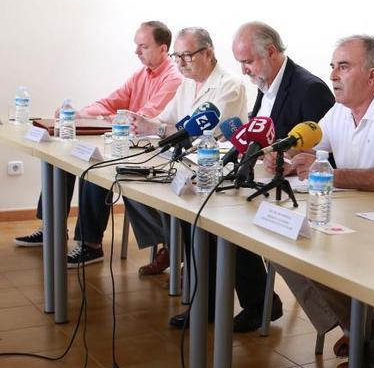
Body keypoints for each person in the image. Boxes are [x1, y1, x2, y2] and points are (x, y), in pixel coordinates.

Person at [269, 35, 374, 368]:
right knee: (280, 242)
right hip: (351, 218)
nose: (332, 76)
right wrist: (287, 160)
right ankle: (355, 328)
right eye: (332, 67)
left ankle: (365, 334)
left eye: (343, 67)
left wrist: (332, 174)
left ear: (373, 76)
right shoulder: (339, 112)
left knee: (309, 244)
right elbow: (314, 151)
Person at [14, 21, 183, 269]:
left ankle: (91, 245)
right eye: (136, 46)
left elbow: (141, 120)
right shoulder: (141, 74)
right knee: (63, 158)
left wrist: (101, 118)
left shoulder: (173, 79)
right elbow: (110, 102)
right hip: (125, 142)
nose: (137, 52)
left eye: (143, 46)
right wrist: (77, 114)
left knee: (94, 167)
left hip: (148, 151)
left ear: (163, 48)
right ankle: (52, 227)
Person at [127, 27, 249, 328]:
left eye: (186, 55)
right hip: (185, 168)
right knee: (130, 182)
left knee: (195, 220)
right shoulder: (186, 84)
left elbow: (205, 134)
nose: (180, 62)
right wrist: (144, 123)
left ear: (208, 53)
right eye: (176, 56)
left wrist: (158, 130)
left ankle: (201, 292)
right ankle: (177, 251)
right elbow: (167, 123)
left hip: (217, 173)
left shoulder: (230, 85)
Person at [228, 21, 335, 333]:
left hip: (303, 194)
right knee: (227, 219)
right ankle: (250, 302)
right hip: (269, 183)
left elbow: (323, 149)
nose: (245, 71)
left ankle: (262, 305)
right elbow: (259, 133)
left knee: (244, 223)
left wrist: (287, 159)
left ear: (270, 52)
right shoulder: (266, 85)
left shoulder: (309, 88)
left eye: (247, 62)